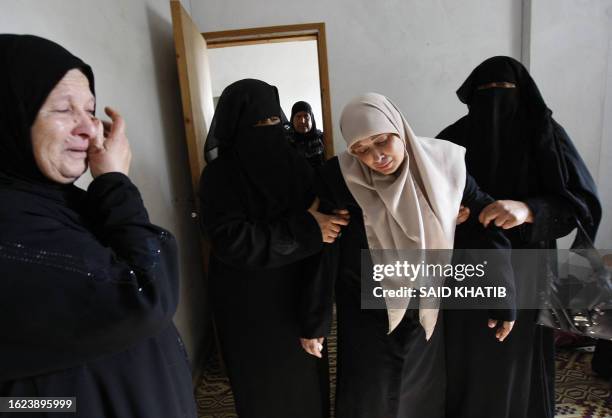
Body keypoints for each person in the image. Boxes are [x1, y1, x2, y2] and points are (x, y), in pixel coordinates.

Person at [0, 35, 196, 418]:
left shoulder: (63, 203)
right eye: (62, 109)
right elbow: (144, 291)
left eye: (90, 110)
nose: (89, 129)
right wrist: (114, 183)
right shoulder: (10, 227)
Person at [302, 92, 517, 418]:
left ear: (399, 129)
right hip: (365, 302)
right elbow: (325, 250)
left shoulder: (443, 166)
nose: (375, 156)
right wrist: (315, 321)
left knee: (420, 391)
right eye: (361, 149)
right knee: (367, 393)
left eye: (381, 141)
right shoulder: (340, 177)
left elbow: (487, 224)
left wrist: (504, 300)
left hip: (424, 299)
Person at [437, 56, 601, 418]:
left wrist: (528, 210)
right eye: (486, 92)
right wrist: (447, 213)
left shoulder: (545, 134)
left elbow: (581, 202)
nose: (495, 102)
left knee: (518, 361)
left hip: (528, 266)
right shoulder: (452, 139)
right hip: (468, 264)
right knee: (466, 357)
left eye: (504, 91)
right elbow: (425, 192)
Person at [199, 79, 348, 418]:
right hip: (245, 306)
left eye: (271, 122)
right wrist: (307, 229)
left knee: (305, 388)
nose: (266, 131)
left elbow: (326, 242)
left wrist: (316, 319)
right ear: (234, 127)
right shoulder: (218, 177)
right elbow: (231, 241)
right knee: (259, 389)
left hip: (296, 300)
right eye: (256, 124)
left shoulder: (299, 167)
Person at [287, 100, 325, 167]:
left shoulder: (323, 139)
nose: (302, 121)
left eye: (306, 116)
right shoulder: (287, 142)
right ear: (292, 120)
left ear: (312, 119)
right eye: (298, 117)